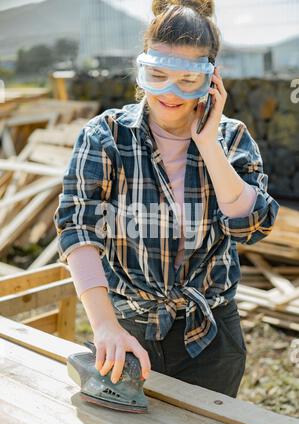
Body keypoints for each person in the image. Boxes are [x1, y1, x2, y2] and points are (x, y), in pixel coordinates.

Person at [53, 0, 280, 398]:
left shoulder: (233, 138)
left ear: (211, 79)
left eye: (187, 80)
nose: (170, 92)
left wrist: (209, 146)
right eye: (157, 75)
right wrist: (104, 325)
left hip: (211, 334)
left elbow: (252, 228)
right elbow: (76, 226)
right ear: (141, 72)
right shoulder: (106, 136)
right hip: (127, 326)